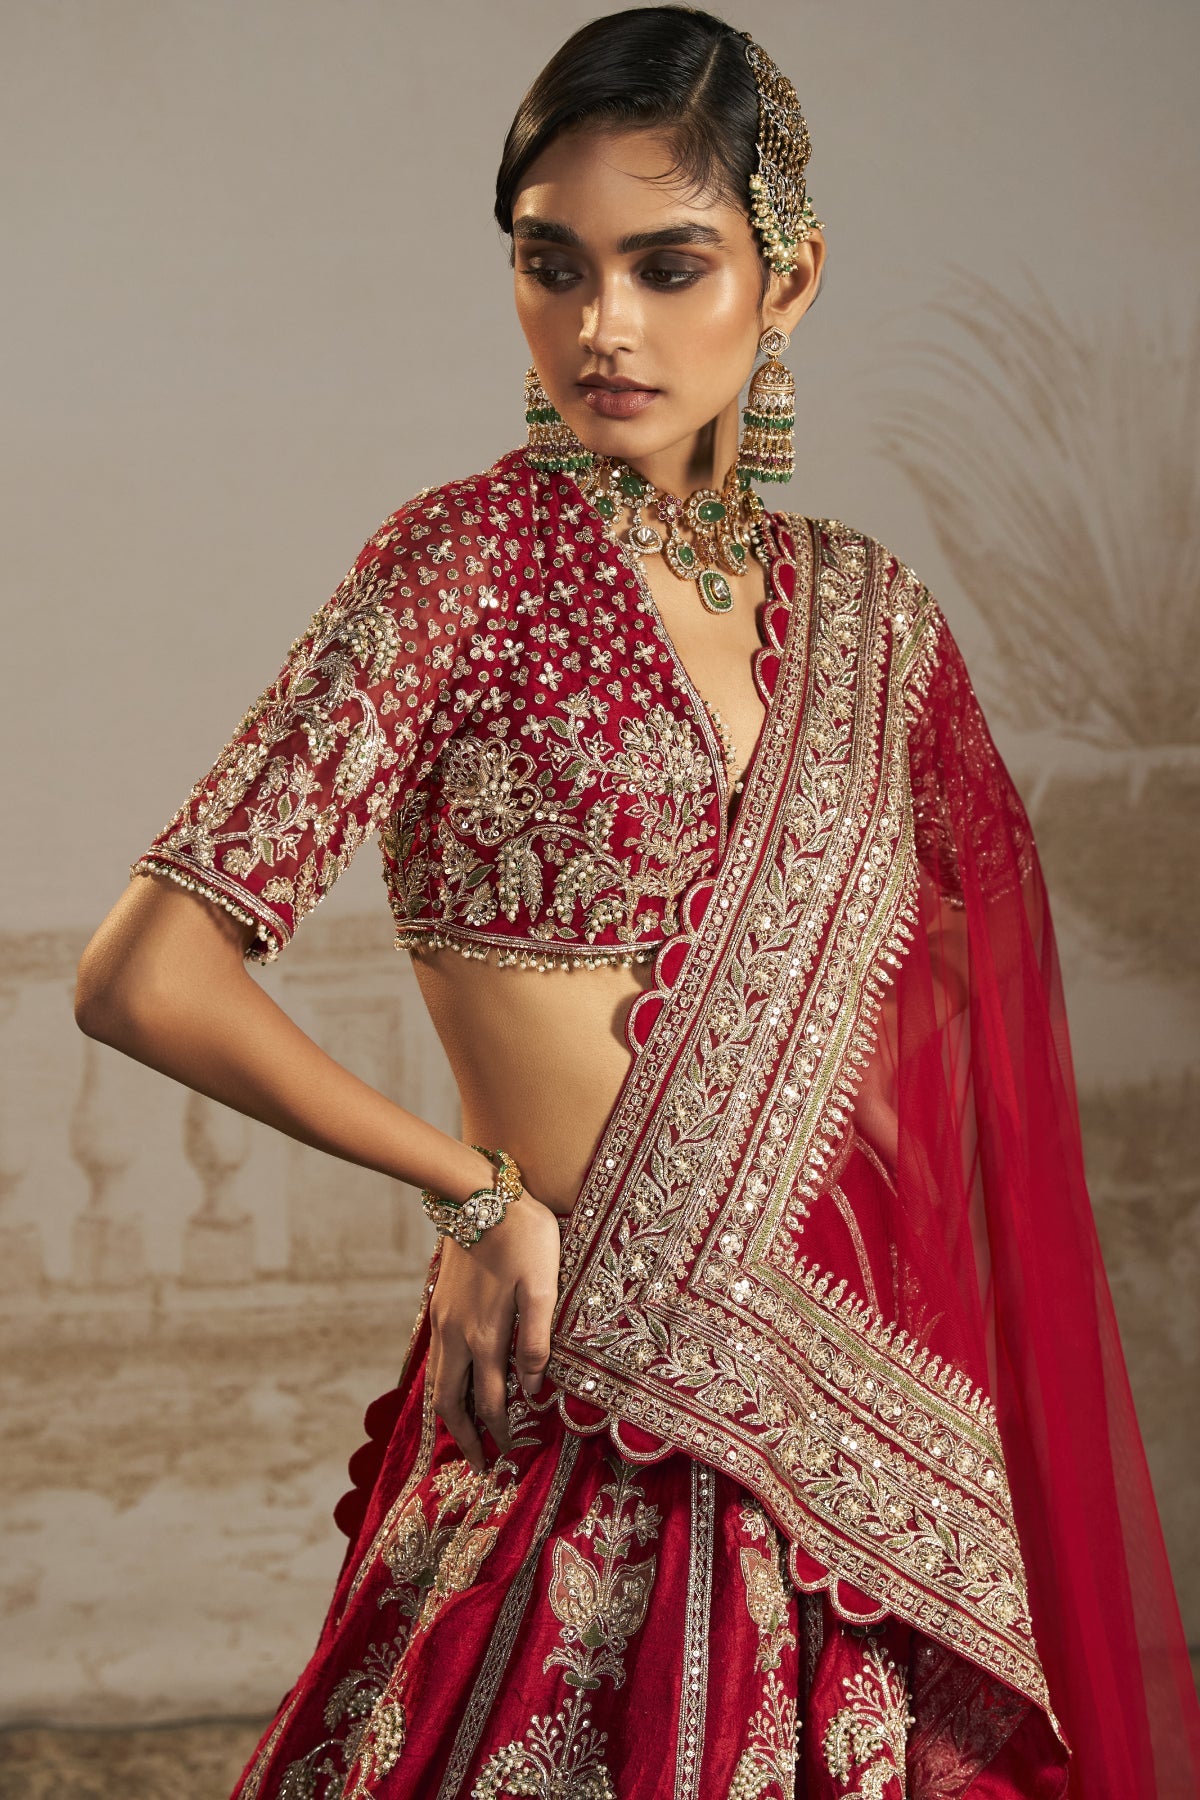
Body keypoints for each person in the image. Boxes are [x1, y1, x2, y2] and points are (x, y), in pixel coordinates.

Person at [74, 8, 1200, 1796]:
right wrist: (473, 1193)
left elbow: (937, 1065)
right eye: (553, 263)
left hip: (839, 1452)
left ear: (789, 278)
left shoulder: (880, 623)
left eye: (668, 266)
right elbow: (147, 975)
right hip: (580, 1408)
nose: (603, 324)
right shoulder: (466, 564)